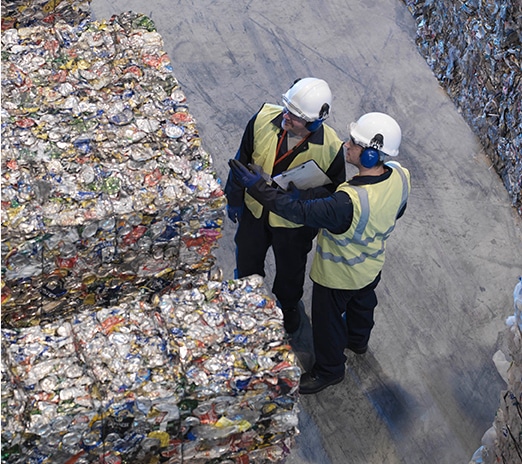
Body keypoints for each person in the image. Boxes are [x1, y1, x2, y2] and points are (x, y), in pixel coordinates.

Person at [229, 112, 411, 394]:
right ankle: (358, 341)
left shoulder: (348, 201)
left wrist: (257, 187)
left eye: (354, 143)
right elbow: (398, 210)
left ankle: (330, 370)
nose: (346, 144)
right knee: (362, 305)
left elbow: (298, 212)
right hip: (371, 264)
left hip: (338, 274)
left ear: (372, 157)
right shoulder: (400, 174)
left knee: (327, 325)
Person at [224, 77, 346, 334]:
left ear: (313, 123)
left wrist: (303, 197)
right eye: (286, 108)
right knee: (247, 258)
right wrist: (234, 197)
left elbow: (335, 193)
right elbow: (241, 158)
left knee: (291, 271)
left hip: (293, 224)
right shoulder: (263, 118)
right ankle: (247, 297)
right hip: (255, 211)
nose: (286, 117)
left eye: (295, 116)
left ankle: (289, 306)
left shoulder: (331, 148)